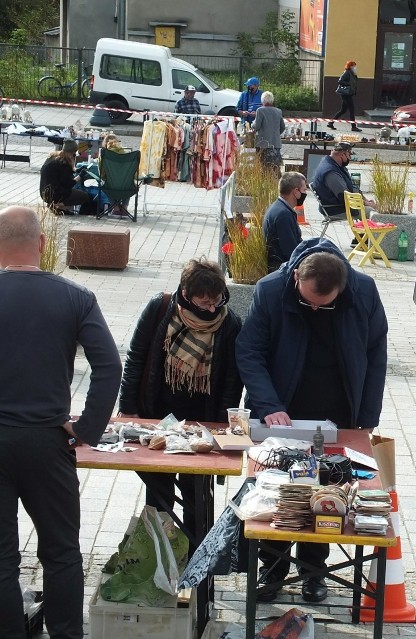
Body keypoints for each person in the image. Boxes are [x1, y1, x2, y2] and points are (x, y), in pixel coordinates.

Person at [236, 237, 388, 604]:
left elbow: (376, 353)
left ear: (342, 289)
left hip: (339, 408)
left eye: (325, 305)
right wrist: (268, 403)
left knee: (324, 489)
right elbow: (249, 350)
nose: (315, 310)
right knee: (275, 490)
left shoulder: (363, 290)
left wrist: (366, 419)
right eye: (308, 303)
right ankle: (271, 571)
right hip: (282, 409)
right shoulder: (270, 290)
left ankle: (313, 572)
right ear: (295, 281)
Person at [0, 205, 121, 639]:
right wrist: (86, 429)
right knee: (62, 552)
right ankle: (66, 634)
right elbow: (110, 367)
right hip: (49, 441)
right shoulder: (74, 297)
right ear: (42, 243)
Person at [118, 259, 243, 540]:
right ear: (186, 296)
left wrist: (223, 427)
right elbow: (136, 359)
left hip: (204, 421)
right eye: (205, 302)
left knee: (197, 494)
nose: (213, 308)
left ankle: (196, 555)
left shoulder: (231, 323)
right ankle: (159, 550)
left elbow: (233, 380)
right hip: (158, 416)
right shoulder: (160, 308)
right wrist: (128, 409)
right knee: (158, 490)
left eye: (218, 300)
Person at [310, 142, 375, 216]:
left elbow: (351, 187)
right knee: (372, 212)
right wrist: (366, 204)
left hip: (340, 205)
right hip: (335, 209)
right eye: (349, 155)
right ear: (342, 154)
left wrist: (366, 200)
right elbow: (345, 197)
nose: (350, 158)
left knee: (374, 208)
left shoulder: (335, 165)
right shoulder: (331, 172)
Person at [263, 172, 306, 271]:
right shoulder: (284, 215)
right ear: (296, 192)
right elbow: (290, 251)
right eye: (304, 190)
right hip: (281, 268)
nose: (305, 193)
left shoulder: (278, 207)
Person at [39, 139, 94, 212]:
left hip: (44, 193)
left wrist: (76, 170)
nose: (74, 156)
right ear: (70, 153)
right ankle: (58, 204)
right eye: (74, 154)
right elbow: (69, 184)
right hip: (55, 194)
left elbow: (60, 174)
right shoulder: (63, 163)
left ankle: (59, 205)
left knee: (74, 192)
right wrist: (80, 175)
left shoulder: (52, 157)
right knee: (85, 197)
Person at [252, 91, 285, 172]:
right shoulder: (278, 111)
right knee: (275, 169)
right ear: (272, 100)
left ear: (262, 101)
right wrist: (275, 134)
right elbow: (282, 127)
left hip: (263, 144)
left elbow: (256, 126)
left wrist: (252, 124)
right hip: (276, 144)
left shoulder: (260, 110)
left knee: (263, 168)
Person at [329, 61, 360, 132]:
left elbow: (354, 82)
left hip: (348, 94)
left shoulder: (352, 74)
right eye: (353, 66)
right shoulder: (346, 73)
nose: (355, 67)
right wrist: (348, 84)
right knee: (352, 110)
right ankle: (353, 126)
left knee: (343, 110)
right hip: (346, 94)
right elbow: (340, 81)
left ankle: (331, 123)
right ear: (350, 66)